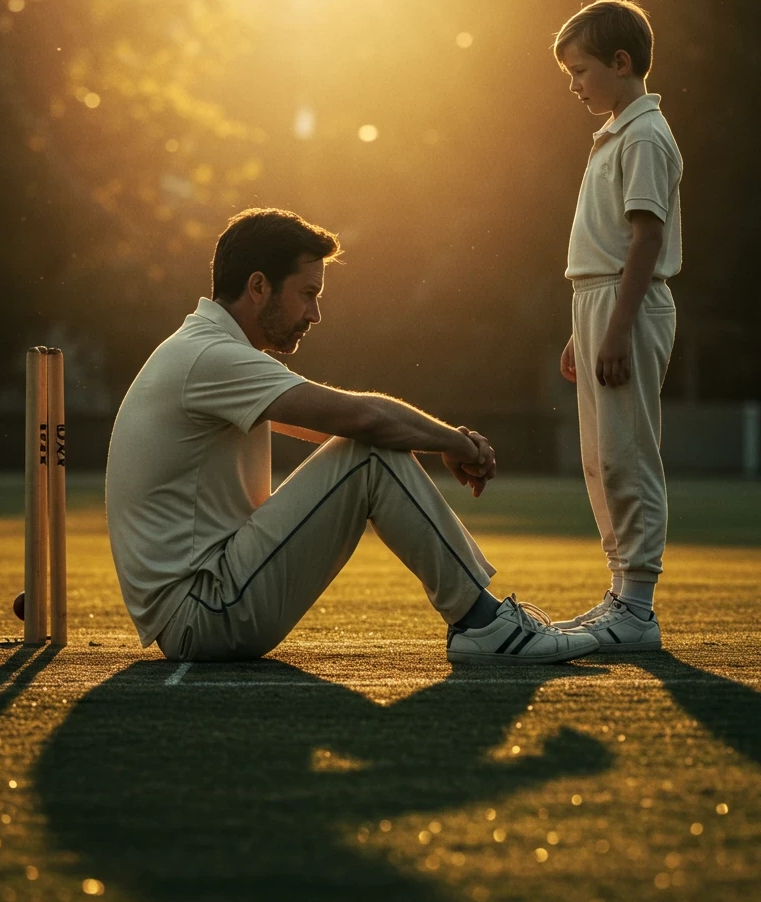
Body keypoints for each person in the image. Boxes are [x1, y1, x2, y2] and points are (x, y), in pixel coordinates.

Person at [106, 208, 598, 666]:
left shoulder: (205, 349)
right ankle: (484, 624)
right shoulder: (210, 356)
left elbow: (328, 424)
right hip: (203, 611)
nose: (315, 314)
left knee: (367, 448)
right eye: (307, 293)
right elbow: (361, 421)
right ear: (258, 286)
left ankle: (482, 619)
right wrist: (455, 442)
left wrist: (440, 438)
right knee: (367, 453)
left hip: (204, 602)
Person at [551, 0, 682, 651]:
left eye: (581, 70)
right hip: (599, 302)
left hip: (628, 305)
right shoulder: (614, 133)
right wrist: (587, 324)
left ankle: (637, 608)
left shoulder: (647, 135)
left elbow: (647, 240)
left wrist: (616, 328)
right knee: (602, 461)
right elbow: (606, 244)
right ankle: (619, 595)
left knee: (629, 456)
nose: (574, 85)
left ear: (621, 62)